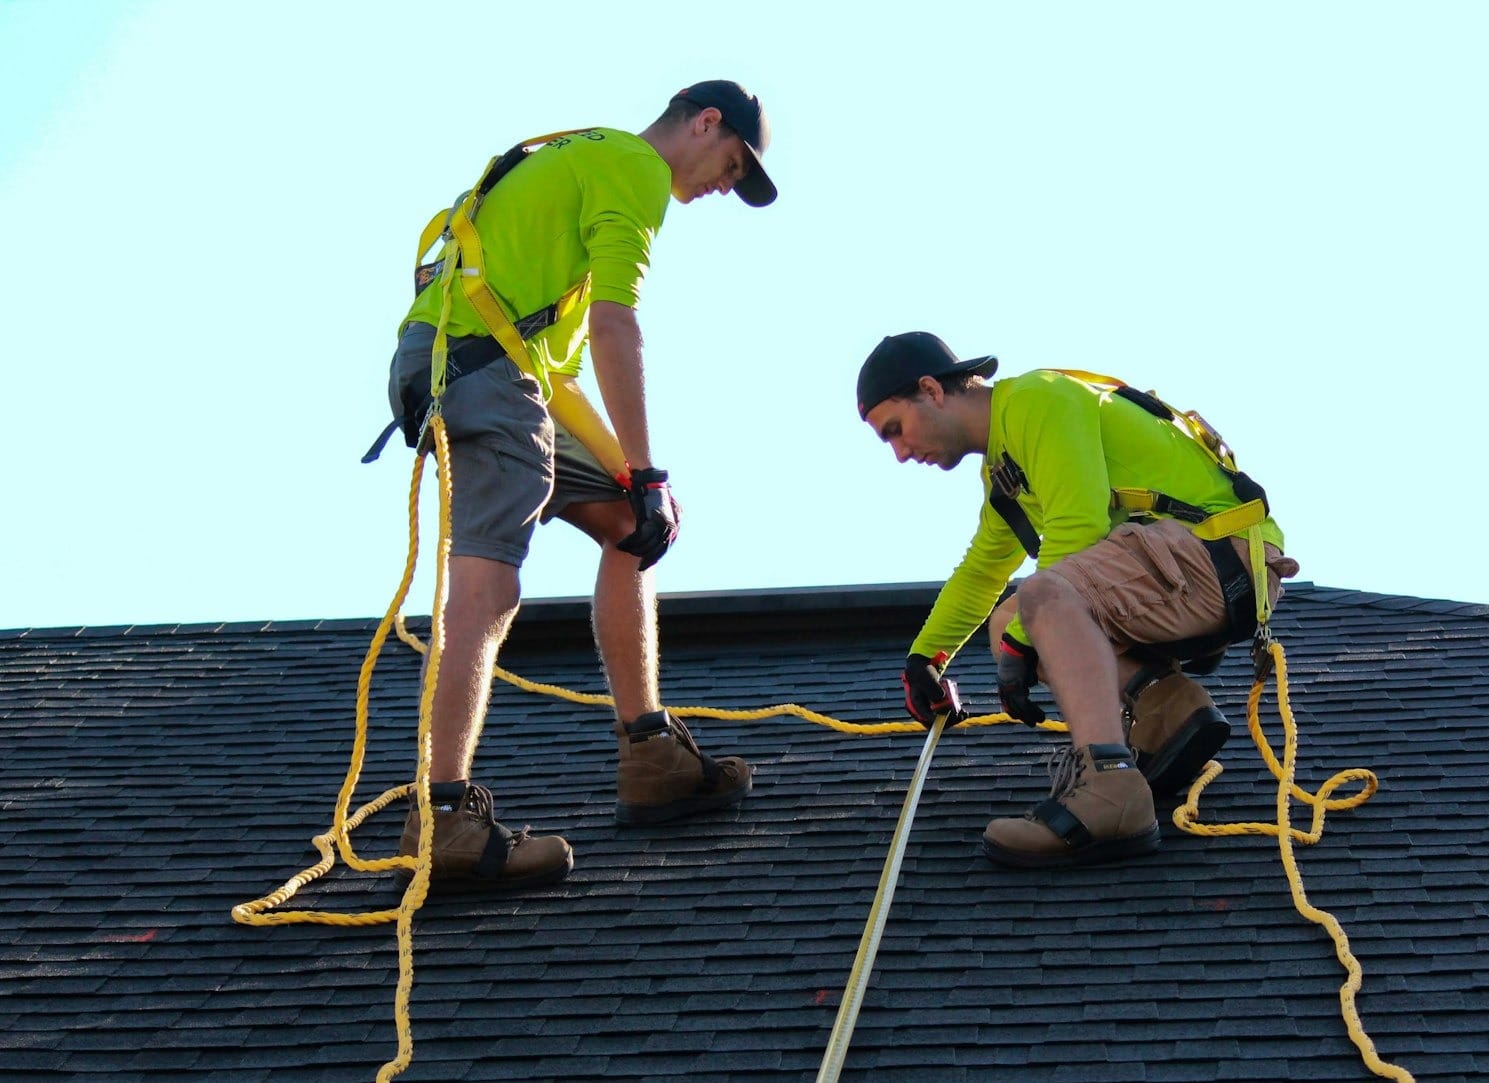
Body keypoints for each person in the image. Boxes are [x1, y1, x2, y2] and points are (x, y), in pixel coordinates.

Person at [381, 80, 777, 893]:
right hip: (480, 371)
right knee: (488, 585)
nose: (721, 187)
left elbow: (552, 366)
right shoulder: (633, 168)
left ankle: (650, 754)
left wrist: (637, 481)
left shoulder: (582, 155)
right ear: (706, 124)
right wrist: (650, 459)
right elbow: (614, 324)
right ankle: (444, 816)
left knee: (637, 527)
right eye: (731, 165)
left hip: (489, 366)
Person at [856, 332, 1300, 868]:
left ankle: (1112, 789)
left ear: (931, 390)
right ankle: (1167, 709)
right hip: (1187, 567)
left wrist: (1026, 642)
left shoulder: (1036, 400)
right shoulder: (1004, 468)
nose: (901, 454)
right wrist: (926, 658)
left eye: (895, 431)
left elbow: (1079, 528)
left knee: (1041, 599)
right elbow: (981, 570)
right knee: (1010, 618)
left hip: (1216, 557)